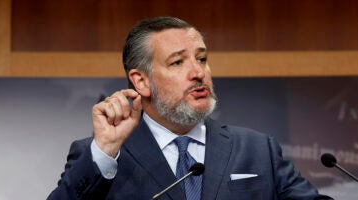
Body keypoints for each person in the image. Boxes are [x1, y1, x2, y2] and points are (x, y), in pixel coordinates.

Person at [47, 16, 332, 200]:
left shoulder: (258, 150)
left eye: (202, 59)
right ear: (141, 81)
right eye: (178, 62)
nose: (198, 72)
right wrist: (105, 151)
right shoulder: (101, 155)